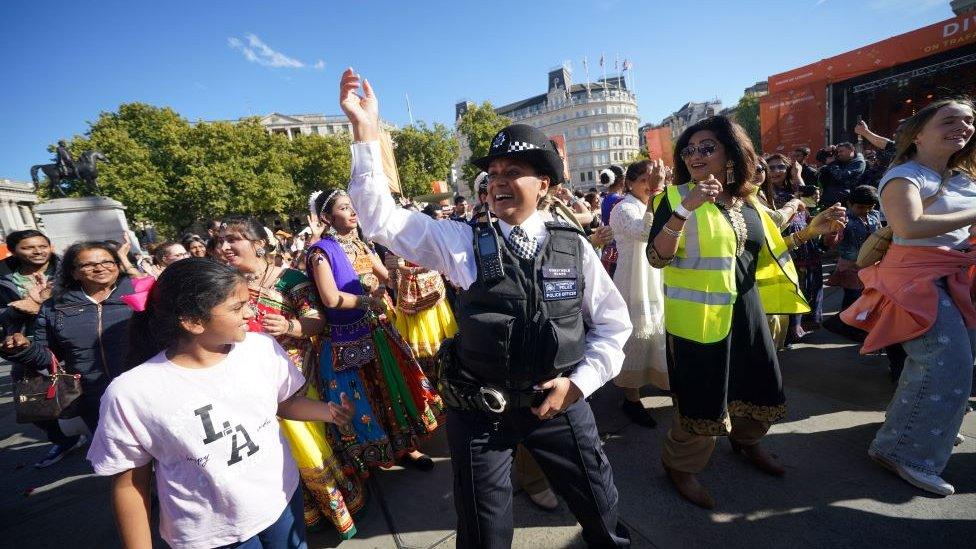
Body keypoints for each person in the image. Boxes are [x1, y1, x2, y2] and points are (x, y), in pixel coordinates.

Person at [340, 69, 632, 547]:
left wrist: (578, 385)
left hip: (559, 403)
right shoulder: (461, 243)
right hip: (481, 413)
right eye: (492, 173)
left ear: (545, 184)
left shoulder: (573, 246)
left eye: (512, 172)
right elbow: (379, 218)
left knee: (601, 510)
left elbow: (614, 327)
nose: (498, 182)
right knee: (483, 532)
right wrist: (365, 131)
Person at [86, 258, 356, 549]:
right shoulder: (131, 393)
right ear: (193, 321)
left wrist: (328, 411)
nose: (251, 312)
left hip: (281, 500)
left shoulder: (261, 349)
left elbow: (283, 403)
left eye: (247, 303)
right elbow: (130, 485)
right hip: (210, 534)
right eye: (237, 307)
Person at [646, 115, 846, 509]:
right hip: (698, 320)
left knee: (758, 382)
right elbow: (656, 257)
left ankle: (747, 441)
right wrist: (685, 208)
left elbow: (763, 253)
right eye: (689, 149)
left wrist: (811, 232)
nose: (695, 155)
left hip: (751, 310)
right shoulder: (671, 199)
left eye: (707, 148)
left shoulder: (749, 200)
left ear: (731, 153)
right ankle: (680, 466)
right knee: (702, 395)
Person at [841, 98, 976, 496]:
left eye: (969, 120)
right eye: (949, 120)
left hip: (952, 276)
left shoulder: (963, 176)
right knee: (945, 364)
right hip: (913, 280)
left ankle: (923, 430)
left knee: (953, 364)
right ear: (917, 134)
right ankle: (903, 451)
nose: (963, 126)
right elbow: (909, 224)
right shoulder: (905, 175)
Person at [214, 215, 364, 535]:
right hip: (246, 378)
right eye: (221, 241)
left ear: (259, 244)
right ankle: (301, 513)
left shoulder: (289, 279)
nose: (224, 247)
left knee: (308, 444)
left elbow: (315, 319)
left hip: (294, 373)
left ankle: (337, 508)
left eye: (233, 239)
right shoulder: (224, 285)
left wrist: (289, 326)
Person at [307, 187, 444, 475]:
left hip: (377, 329)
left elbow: (388, 279)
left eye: (353, 206)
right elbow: (331, 298)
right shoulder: (321, 253)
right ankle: (372, 455)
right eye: (344, 208)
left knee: (390, 388)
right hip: (345, 337)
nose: (353, 211)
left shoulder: (362, 245)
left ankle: (405, 446)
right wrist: (367, 300)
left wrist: (400, 269)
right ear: (327, 217)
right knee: (362, 397)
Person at [1, 242, 139, 435]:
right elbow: (47, 357)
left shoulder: (142, 295)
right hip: (93, 398)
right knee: (117, 457)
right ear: (73, 273)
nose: (99, 268)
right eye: (88, 265)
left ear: (118, 265)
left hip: (144, 391)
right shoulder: (55, 307)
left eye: (108, 261)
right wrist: (23, 348)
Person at [0, 230, 84, 468]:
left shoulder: (71, 267)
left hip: (72, 334)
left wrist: (50, 299)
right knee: (33, 400)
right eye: (28, 247)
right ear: (13, 249)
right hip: (28, 344)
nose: (37, 251)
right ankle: (64, 439)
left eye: (42, 246)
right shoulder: (3, 277)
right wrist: (24, 306)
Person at [608, 159, 669, 427]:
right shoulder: (623, 208)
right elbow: (644, 231)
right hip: (634, 280)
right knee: (634, 336)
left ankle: (660, 380)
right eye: (645, 179)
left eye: (654, 179)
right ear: (629, 183)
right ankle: (631, 398)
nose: (650, 184)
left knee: (658, 333)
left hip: (657, 276)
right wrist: (657, 194)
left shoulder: (650, 204)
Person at [764, 153, 823, 344]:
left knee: (806, 284)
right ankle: (788, 332)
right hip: (784, 241)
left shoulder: (795, 188)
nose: (775, 171)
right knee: (789, 285)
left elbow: (811, 207)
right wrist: (798, 183)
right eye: (770, 167)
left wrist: (805, 188)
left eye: (780, 167)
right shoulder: (764, 192)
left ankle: (800, 325)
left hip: (805, 240)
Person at [819, 142, 866, 207]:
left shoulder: (858, 162)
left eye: (841, 151)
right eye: (837, 152)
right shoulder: (843, 159)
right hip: (833, 196)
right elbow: (819, 158)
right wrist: (825, 150)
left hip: (846, 198)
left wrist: (832, 163)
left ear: (852, 150)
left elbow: (841, 176)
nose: (839, 154)